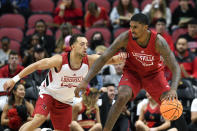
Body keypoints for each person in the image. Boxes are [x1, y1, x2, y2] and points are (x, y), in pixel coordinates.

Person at [75, 13, 188, 131]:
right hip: (132, 73)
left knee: (172, 103)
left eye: (135, 27)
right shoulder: (125, 37)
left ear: (145, 27)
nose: (131, 30)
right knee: (122, 97)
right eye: (130, 26)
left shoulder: (158, 41)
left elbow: (175, 67)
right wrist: (85, 80)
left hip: (153, 75)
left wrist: (173, 89)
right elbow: (103, 58)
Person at [3, 34, 126, 131]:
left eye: (86, 44)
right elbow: (36, 66)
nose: (85, 47)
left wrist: (126, 55)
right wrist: (14, 80)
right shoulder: (59, 60)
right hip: (49, 94)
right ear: (72, 46)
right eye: (82, 44)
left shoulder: (90, 60)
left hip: (65, 101)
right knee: (38, 119)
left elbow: (112, 59)